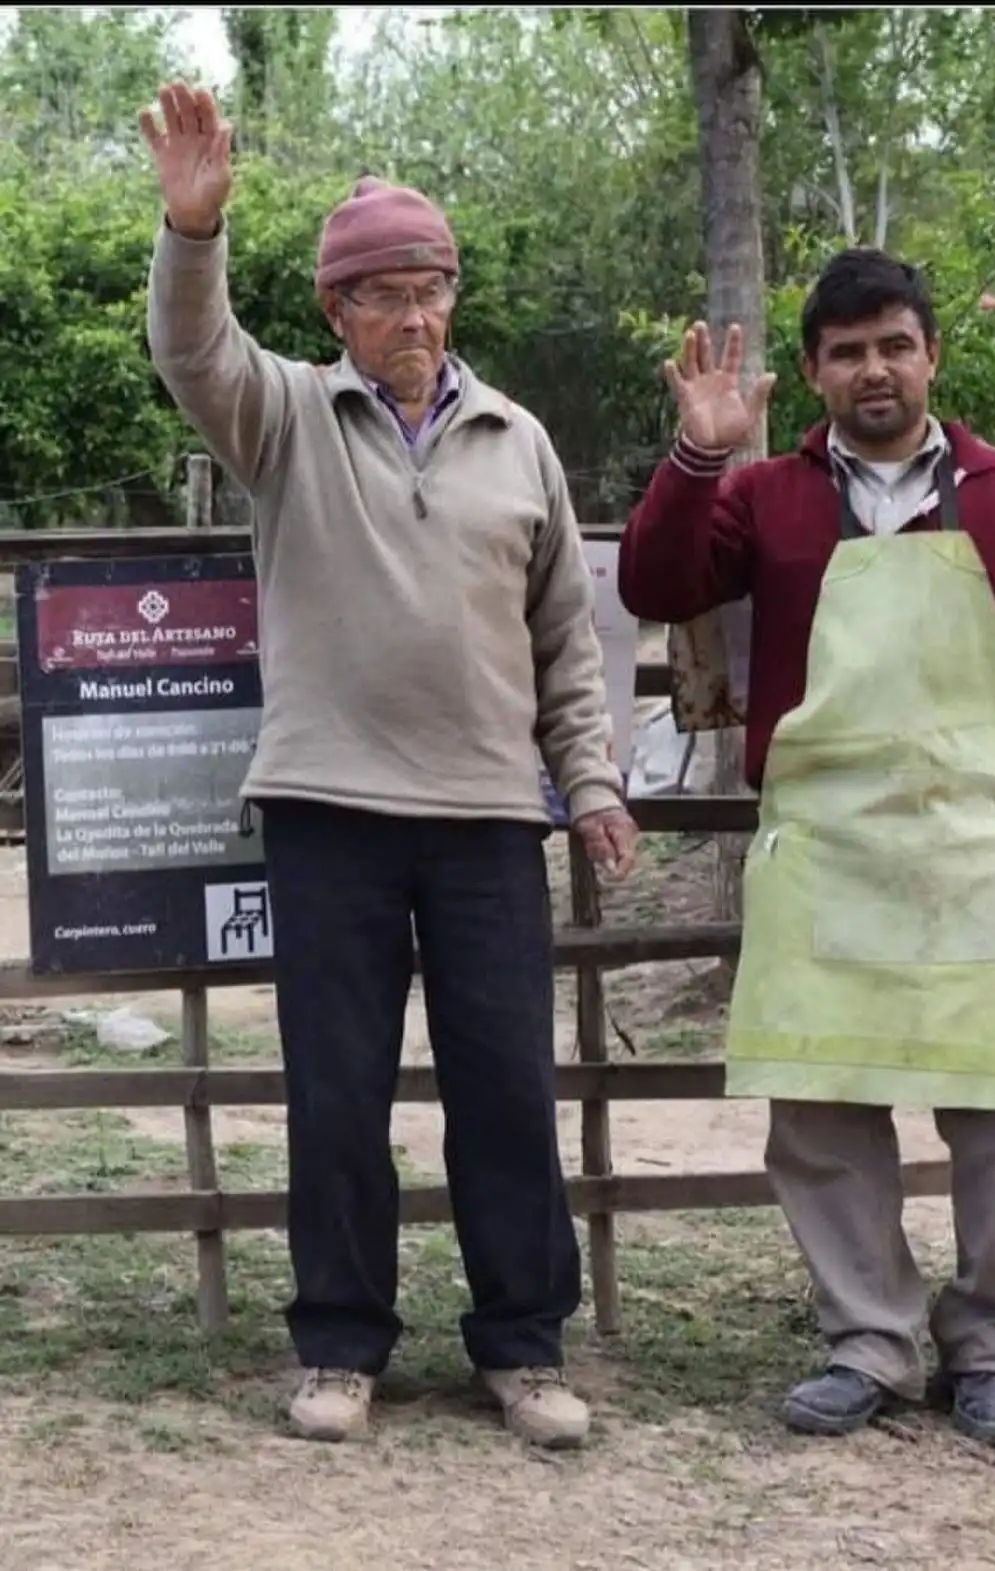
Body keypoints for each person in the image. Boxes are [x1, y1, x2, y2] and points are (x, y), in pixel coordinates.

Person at [140, 80, 638, 1450]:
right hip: (328, 809)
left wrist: (586, 781)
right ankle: (340, 1345)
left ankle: (523, 1346)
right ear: (336, 312)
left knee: (503, 1087)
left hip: (485, 815)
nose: (414, 317)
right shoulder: (288, 419)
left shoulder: (515, 438)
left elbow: (562, 638)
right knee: (336, 1088)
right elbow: (192, 353)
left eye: (432, 290)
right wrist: (193, 233)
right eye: (385, 296)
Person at [618, 248, 995, 1450]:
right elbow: (655, 575)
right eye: (846, 352)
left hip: (966, 848)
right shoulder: (766, 498)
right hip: (823, 847)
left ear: (930, 354)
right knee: (821, 1108)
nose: (874, 369)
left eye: (894, 343)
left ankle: (992, 1345)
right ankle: (868, 1340)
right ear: (812, 373)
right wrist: (700, 453)